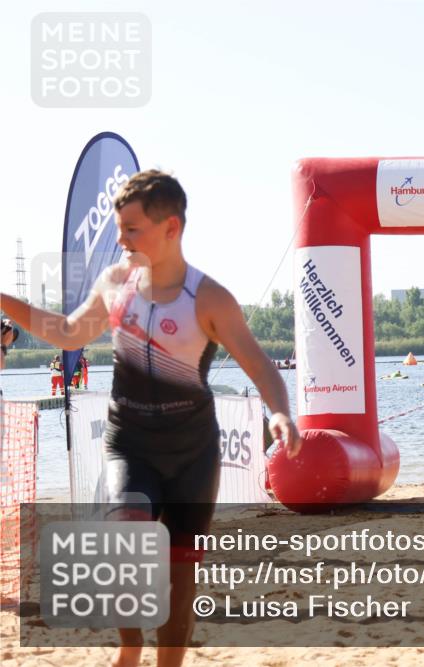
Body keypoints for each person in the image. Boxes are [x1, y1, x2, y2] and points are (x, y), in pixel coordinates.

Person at [0, 169, 301, 667]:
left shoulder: (209, 298)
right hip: (130, 441)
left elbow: (261, 364)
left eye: (132, 229)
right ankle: (130, 645)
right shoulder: (117, 283)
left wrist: (280, 414)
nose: (120, 240)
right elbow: (69, 332)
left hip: (192, 451)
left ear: (171, 229)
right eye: (119, 229)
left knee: (181, 577)